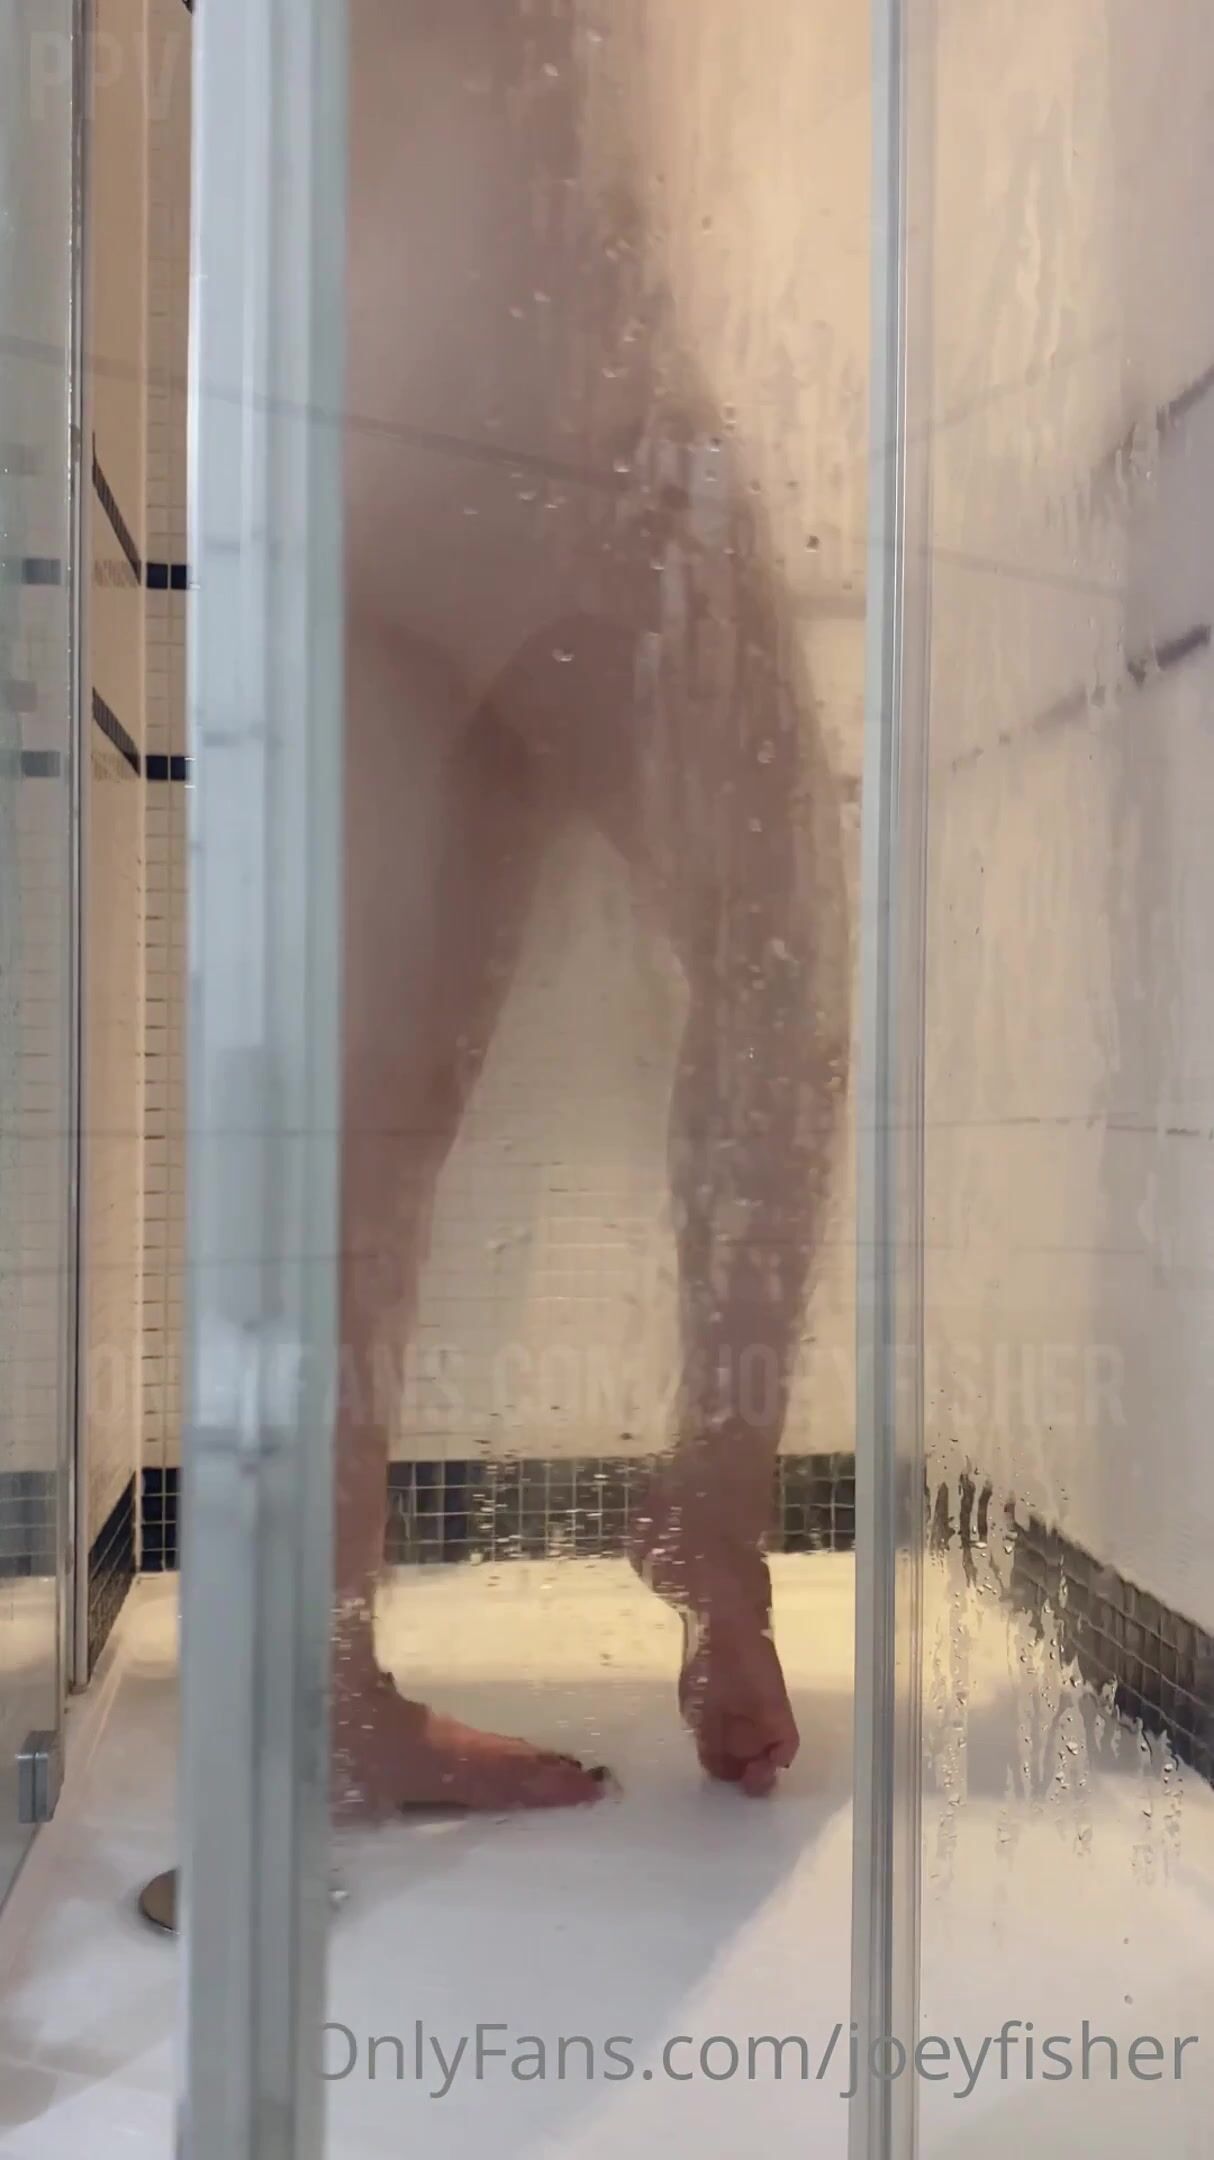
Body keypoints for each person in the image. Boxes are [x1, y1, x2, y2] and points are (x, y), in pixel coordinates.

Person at [333, 0, 849, 1816]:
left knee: (365, 1100)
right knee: (779, 957)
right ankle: (713, 1516)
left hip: (355, 415)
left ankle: (319, 1665)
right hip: (576, 400)